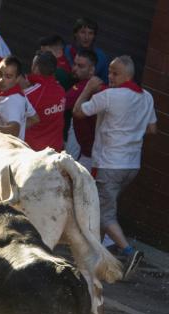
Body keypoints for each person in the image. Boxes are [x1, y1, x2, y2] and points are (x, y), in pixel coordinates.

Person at [73, 55, 157, 279]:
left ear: (127, 75)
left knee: (104, 214)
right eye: (109, 72)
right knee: (104, 207)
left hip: (110, 163)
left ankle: (128, 251)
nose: (110, 77)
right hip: (131, 165)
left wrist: (88, 88)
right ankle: (96, 259)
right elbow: (152, 128)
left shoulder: (109, 96)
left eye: (115, 73)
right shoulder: (146, 96)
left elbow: (78, 112)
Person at [0, 56, 37, 140]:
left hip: (5, 150)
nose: (1, 80)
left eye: (8, 76)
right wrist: (21, 129)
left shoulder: (11, 100)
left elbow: (14, 130)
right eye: (0, 74)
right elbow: (35, 118)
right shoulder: (19, 95)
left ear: (17, 79)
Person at [23, 51, 66, 152]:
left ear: (36, 68)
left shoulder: (29, 94)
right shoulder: (61, 91)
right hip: (55, 152)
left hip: (34, 153)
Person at [65, 49, 98, 170]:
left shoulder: (84, 87)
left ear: (92, 70)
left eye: (80, 66)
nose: (74, 68)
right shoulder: (82, 84)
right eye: (74, 64)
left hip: (83, 150)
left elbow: (62, 103)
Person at [65, 17, 109, 83]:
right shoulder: (65, 51)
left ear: (94, 36)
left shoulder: (101, 57)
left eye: (90, 33)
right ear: (75, 33)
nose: (86, 37)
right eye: (83, 32)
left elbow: (106, 83)